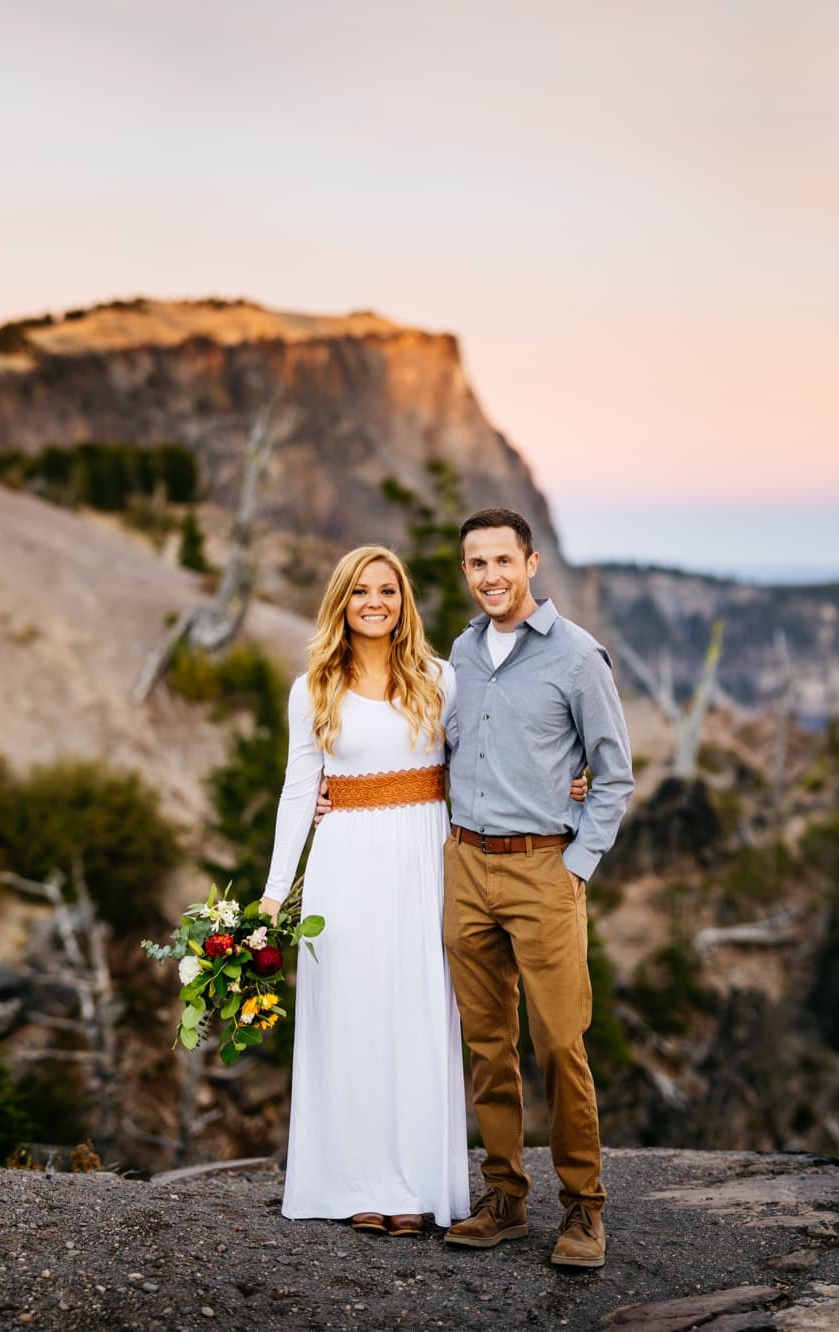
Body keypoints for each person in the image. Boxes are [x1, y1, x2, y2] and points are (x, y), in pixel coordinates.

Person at [438, 507, 634, 1269]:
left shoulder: (579, 657)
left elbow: (613, 776)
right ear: (467, 573)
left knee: (558, 1042)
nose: (490, 576)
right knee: (487, 1045)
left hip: (542, 869)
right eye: (476, 564)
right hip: (466, 867)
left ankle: (584, 1210)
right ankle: (506, 1196)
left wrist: (574, 866)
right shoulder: (460, 651)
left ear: (531, 564)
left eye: (501, 561)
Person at [259, 545, 468, 1236]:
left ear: (404, 601)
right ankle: (354, 1185)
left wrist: (568, 781)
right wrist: (272, 895)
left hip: (424, 862)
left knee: (415, 1015)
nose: (374, 601)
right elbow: (298, 790)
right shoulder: (313, 688)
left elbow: (484, 762)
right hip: (344, 866)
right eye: (360, 592)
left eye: (388, 590)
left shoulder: (441, 679)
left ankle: (414, 1185)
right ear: (341, 603)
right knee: (349, 1020)